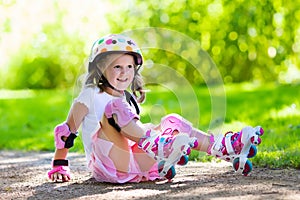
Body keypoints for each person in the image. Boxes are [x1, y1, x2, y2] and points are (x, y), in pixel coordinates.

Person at [48, 34, 264, 183]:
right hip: (107, 165)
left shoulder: (126, 99)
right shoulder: (89, 95)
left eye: (129, 67)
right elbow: (67, 132)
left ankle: (222, 147)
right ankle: (157, 145)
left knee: (172, 121)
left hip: (134, 163)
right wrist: (59, 164)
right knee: (114, 108)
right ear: (101, 69)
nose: (124, 73)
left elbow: (130, 131)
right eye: (117, 67)